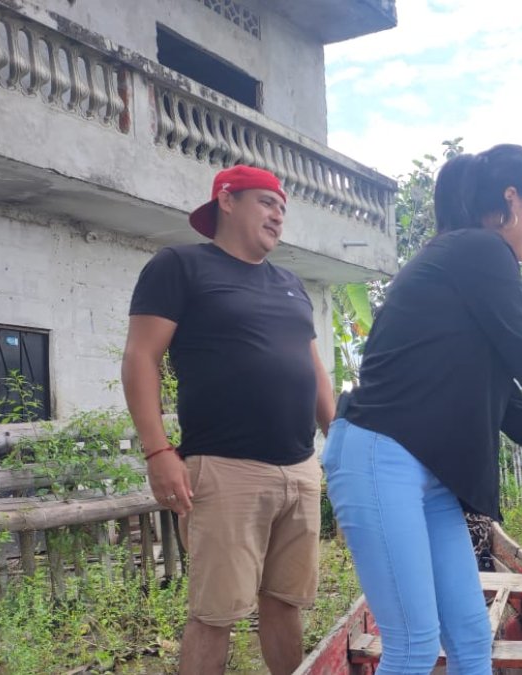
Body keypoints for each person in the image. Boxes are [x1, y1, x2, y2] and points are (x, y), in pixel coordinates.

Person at [324, 143, 522, 675]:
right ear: (510, 199)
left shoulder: (469, 268)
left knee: (472, 636)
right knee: (412, 644)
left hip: (432, 474)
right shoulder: (480, 250)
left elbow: (511, 407)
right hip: (382, 453)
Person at [122, 165, 336, 675]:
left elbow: (313, 370)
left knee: (285, 601)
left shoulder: (290, 284)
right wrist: (158, 451)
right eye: (266, 202)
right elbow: (140, 357)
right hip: (224, 469)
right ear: (226, 199)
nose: (278, 215)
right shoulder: (180, 266)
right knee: (214, 614)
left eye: (282, 208)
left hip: (300, 468)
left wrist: (342, 442)